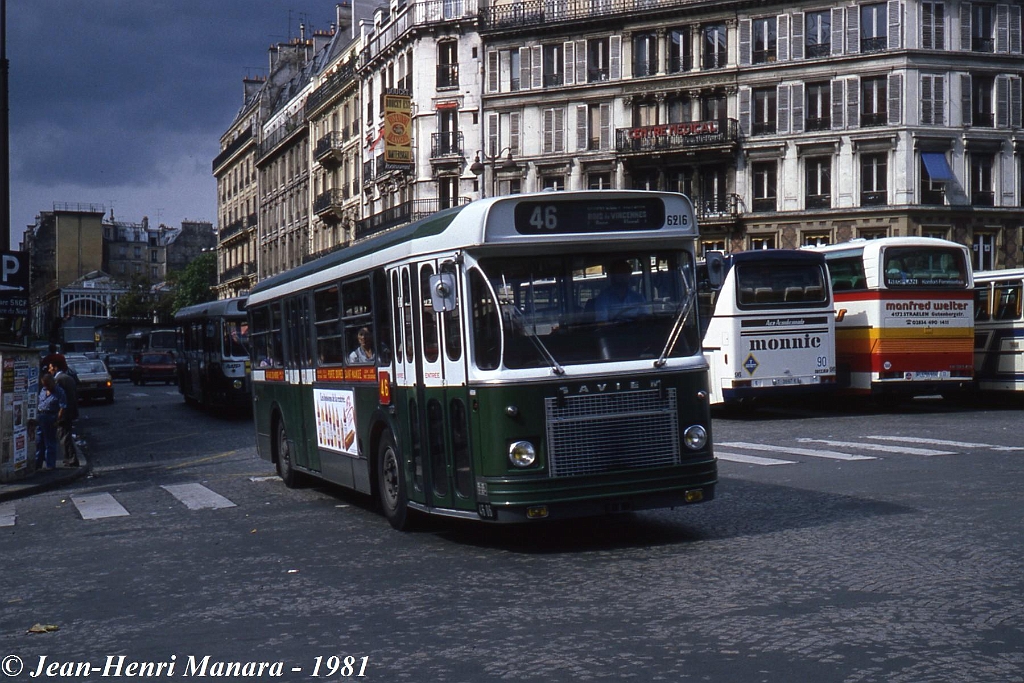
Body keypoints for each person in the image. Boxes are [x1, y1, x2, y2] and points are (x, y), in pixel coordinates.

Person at [49, 357, 79, 467]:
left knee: (63, 436)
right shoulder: (68, 378)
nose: (49, 370)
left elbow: (57, 397)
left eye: (51, 368)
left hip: (63, 412)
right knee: (66, 435)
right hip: (70, 411)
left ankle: (71, 459)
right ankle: (70, 458)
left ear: (55, 368)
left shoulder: (59, 380)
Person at [35, 373, 67, 471]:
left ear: (53, 382)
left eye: (48, 384)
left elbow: (63, 406)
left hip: (51, 416)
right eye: (44, 385)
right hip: (41, 416)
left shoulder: (59, 391)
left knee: (50, 442)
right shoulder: (43, 390)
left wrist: (58, 420)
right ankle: (38, 463)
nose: (46, 387)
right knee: (39, 441)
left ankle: (50, 465)